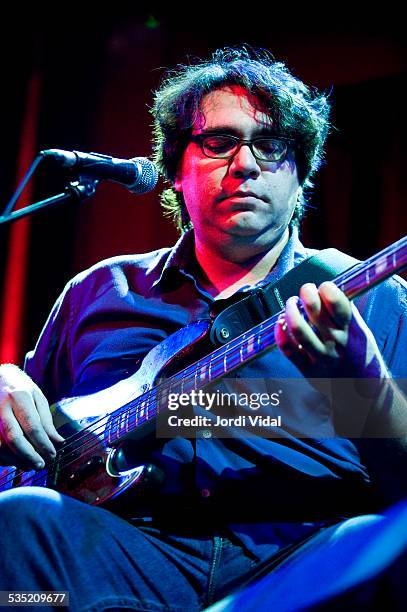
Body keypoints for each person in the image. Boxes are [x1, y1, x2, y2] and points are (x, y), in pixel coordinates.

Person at [0, 46, 406, 611]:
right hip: (125, 556)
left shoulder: (366, 296)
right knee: (20, 542)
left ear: (300, 177)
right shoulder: (101, 292)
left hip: (301, 560)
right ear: (174, 169)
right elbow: (22, 457)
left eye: (271, 147)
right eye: (218, 143)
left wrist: (362, 379)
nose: (245, 165)